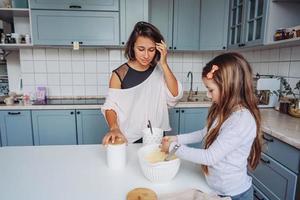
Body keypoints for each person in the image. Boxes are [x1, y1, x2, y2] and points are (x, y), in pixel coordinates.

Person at [161, 52, 262, 200]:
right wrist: (176, 138)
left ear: (230, 87)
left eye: (210, 90)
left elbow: (210, 157)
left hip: (235, 195)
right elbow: (205, 133)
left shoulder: (242, 120)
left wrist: (172, 148)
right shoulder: (224, 110)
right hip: (216, 188)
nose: (208, 95)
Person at [101, 21, 183, 145]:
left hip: (155, 135)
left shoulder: (160, 71)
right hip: (128, 137)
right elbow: (110, 106)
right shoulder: (119, 74)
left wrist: (164, 64)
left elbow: (175, 95)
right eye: (141, 49)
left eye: (151, 50)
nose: (146, 55)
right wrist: (114, 128)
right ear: (132, 47)